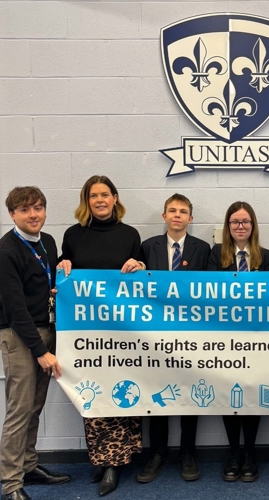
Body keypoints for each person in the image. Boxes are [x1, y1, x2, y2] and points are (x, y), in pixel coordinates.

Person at [58, 175, 145, 497]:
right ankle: (101, 457)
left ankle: (116, 462)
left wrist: (139, 266)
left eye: (104, 195)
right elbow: (65, 274)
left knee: (124, 389)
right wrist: (62, 264)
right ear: (86, 200)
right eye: (93, 195)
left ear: (115, 198)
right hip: (88, 333)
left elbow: (142, 279)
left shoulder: (129, 234)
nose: (99, 200)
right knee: (92, 391)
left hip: (124, 330)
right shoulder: (73, 235)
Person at [0, 187, 71, 500]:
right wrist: (40, 352)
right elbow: (15, 308)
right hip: (19, 336)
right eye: (26, 209)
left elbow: (44, 285)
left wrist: (60, 278)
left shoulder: (48, 241)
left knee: (35, 406)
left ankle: (29, 465)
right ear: (12, 214)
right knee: (19, 410)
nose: (34, 215)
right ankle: (11, 484)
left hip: (45, 331)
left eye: (39, 208)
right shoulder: (6, 250)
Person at [137, 194, 210, 483]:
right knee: (158, 393)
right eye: (172, 210)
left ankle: (188, 452)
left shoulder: (203, 249)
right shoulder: (147, 246)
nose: (177, 215)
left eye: (183, 212)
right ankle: (157, 453)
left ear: (190, 218)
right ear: (164, 215)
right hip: (156, 334)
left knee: (189, 392)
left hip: (191, 334)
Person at [207, 201, 269, 482]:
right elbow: (207, 292)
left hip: (257, 339)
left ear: (253, 225)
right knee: (229, 395)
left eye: (245, 221)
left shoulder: (267, 256)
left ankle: (250, 452)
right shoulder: (215, 254)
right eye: (235, 222)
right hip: (224, 339)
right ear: (227, 226)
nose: (240, 226)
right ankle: (234, 453)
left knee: (252, 396)